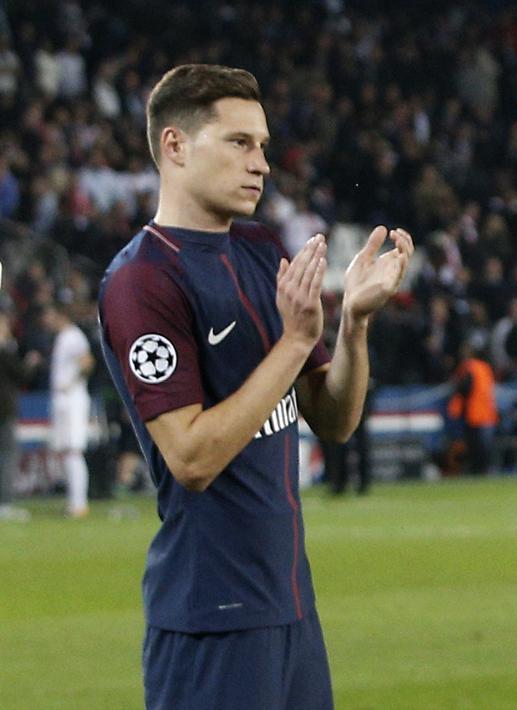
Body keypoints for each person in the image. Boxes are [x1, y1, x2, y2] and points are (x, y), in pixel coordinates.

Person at [97, 64, 412, 710]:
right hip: (209, 618)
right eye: (239, 142)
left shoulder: (262, 250)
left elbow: (333, 418)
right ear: (175, 146)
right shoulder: (143, 281)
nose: (261, 164)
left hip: (290, 604)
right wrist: (294, 342)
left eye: (263, 145)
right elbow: (190, 457)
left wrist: (352, 324)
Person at [43, 301, 95, 518]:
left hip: (72, 399)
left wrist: (72, 382)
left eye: (48, 314)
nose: (45, 320)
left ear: (59, 315)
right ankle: (73, 501)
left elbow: (87, 362)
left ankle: (79, 503)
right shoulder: (63, 337)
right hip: (62, 399)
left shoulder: (73, 336)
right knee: (66, 451)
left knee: (74, 450)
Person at [0, 310, 34, 522]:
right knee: (8, 456)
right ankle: (4, 503)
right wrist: (31, 362)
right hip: (4, 410)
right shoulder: (4, 352)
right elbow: (22, 375)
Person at [447, 341, 499, 475]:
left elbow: (465, 388)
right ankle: (486, 470)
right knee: (485, 446)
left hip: (474, 412)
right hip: (488, 412)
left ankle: (479, 471)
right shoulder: (485, 367)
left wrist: (455, 386)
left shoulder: (468, 367)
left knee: (476, 446)